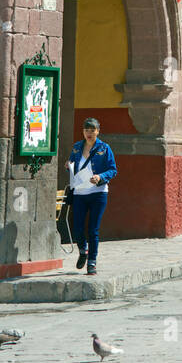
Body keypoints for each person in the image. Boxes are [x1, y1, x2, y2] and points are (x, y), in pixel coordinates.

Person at [65, 118, 117, 276]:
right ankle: (83, 250)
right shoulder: (76, 148)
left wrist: (100, 177)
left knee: (93, 229)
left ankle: (92, 262)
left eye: (92, 130)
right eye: (87, 130)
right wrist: (69, 166)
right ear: (83, 131)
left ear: (98, 131)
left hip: (98, 193)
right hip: (80, 193)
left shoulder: (104, 148)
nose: (89, 133)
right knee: (78, 228)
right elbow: (73, 169)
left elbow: (113, 170)